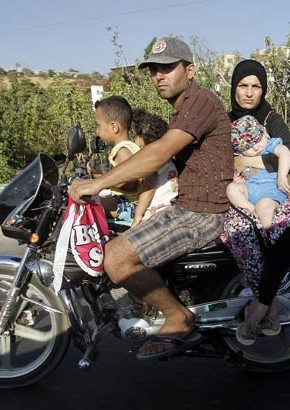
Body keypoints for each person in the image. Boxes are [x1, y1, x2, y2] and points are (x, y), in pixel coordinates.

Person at [69, 36, 233, 360]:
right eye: (155, 69)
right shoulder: (183, 108)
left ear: (190, 70)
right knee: (121, 235)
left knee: (115, 258)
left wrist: (98, 184)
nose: (159, 75)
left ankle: (178, 316)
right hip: (187, 204)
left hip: (201, 212)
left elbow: (157, 154)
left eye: (168, 67)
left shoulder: (199, 102)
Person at [221, 59, 290, 346]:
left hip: (272, 191)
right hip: (243, 194)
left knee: (286, 230)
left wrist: (249, 160)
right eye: (243, 85)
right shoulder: (223, 120)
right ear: (234, 88)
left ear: (263, 89)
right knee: (241, 236)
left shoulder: (271, 118)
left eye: (256, 86)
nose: (249, 92)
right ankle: (273, 306)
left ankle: (260, 305)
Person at [226, 115, 290, 230]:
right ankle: (251, 208)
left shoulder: (270, 145)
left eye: (257, 140)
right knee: (231, 188)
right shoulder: (240, 157)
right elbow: (241, 174)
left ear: (265, 133)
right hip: (250, 189)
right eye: (248, 147)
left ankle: (268, 233)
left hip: (270, 190)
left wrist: (282, 175)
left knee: (264, 207)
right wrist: (237, 181)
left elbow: (285, 153)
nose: (256, 147)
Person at [90, 96, 141, 222]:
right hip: (128, 202)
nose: (98, 131)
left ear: (114, 127)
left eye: (99, 126)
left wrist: (101, 176)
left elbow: (130, 182)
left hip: (129, 204)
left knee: (91, 202)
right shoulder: (131, 146)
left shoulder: (122, 150)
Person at [130, 108, 178, 227]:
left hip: (156, 212)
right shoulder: (168, 159)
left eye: (136, 136)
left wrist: (138, 215)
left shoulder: (152, 162)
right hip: (170, 210)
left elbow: (149, 189)